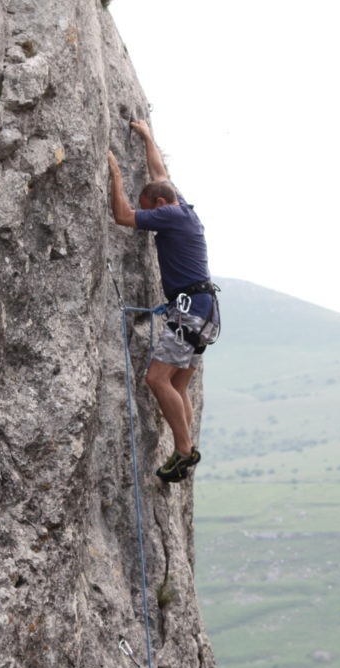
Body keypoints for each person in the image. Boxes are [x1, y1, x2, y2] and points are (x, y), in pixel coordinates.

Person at [107, 120, 219, 483]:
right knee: (179, 385)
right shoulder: (180, 206)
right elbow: (160, 172)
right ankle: (184, 447)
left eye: (150, 212)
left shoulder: (169, 215)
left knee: (156, 380)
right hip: (204, 310)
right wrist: (146, 137)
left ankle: (185, 451)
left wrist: (115, 174)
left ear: (159, 205)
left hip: (189, 310)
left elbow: (123, 216)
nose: (150, 220)